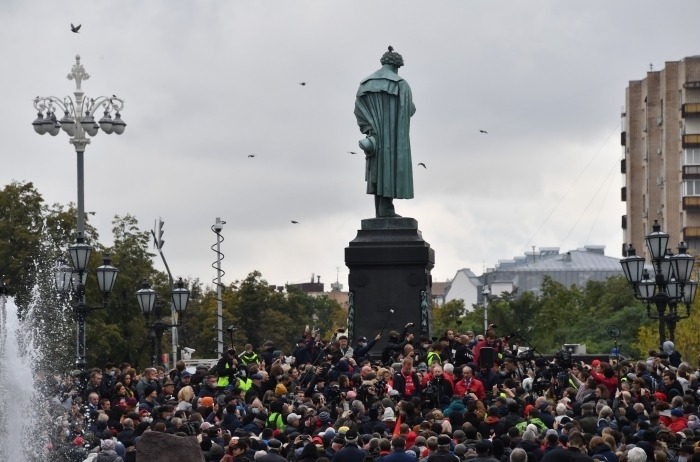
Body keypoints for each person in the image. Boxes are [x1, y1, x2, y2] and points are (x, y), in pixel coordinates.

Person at [355, 46, 416, 218]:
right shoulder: (400, 84)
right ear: (398, 66)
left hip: (375, 137)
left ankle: (383, 210)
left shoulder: (365, 84)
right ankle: (386, 209)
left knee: (378, 170)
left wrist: (369, 129)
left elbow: (358, 111)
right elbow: (407, 111)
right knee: (389, 168)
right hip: (395, 137)